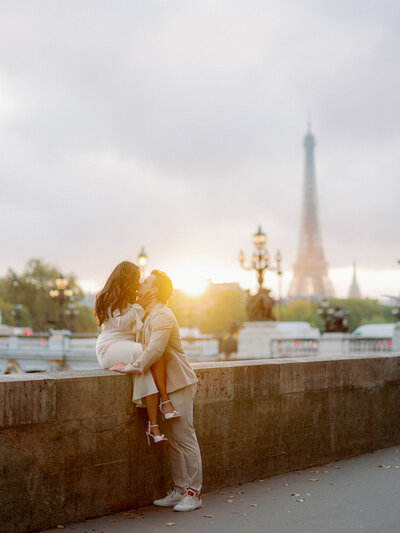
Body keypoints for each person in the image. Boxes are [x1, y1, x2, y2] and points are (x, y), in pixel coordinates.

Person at [111, 270, 203, 512]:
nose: (140, 286)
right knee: (173, 441)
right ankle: (179, 489)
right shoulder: (150, 314)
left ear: (154, 290)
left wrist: (130, 367)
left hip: (178, 383)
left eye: (146, 283)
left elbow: (154, 351)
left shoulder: (162, 316)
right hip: (165, 386)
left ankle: (194, 493)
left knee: (185, 439)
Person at [95, 261, 180, 444]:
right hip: (110, 347)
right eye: (136, 279)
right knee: (153, 351)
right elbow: (120, 324)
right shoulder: (107, 297)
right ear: (126, 278)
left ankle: (154, 428)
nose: (138, 283)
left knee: (146, 373)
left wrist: (140, 304)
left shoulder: (131, 299)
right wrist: (140, 306)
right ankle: (165, 400)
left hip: (125, 346)